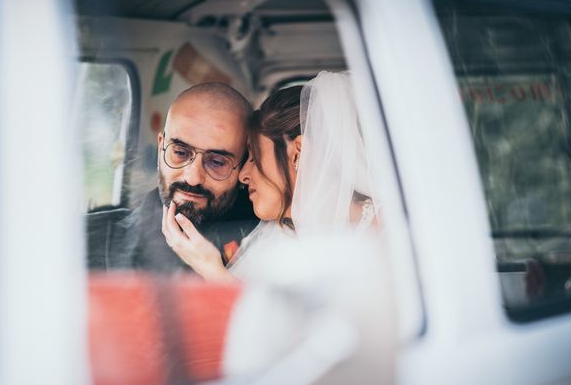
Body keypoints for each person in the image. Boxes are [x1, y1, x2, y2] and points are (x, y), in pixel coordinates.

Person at [162, 71, 378, 281]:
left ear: (298, 153)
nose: (243, 176)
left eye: (254, 157)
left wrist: (213, 271)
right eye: (180, 153)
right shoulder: (274, 234)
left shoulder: (384, 235)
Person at [107, 82, 258, 274]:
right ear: (161, 147)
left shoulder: (269, 241)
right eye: (180, 152)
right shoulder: (92, 241)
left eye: (217, 162)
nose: (193, 178)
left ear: (245, 165)